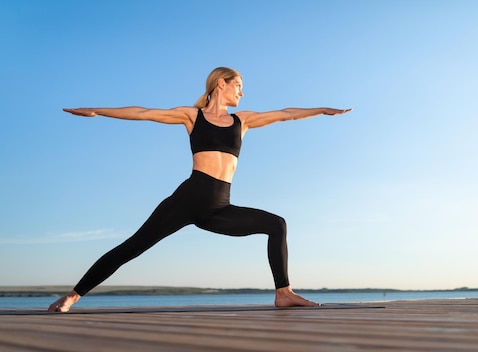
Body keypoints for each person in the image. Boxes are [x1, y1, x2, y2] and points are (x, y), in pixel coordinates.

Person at [48, 67, 351, 312]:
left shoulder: (242, 121)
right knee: (133, 246)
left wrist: (322, 110)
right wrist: (97, 111)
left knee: (276, 224)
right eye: (238, 86)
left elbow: (286, 113)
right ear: (222, 84)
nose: (242, 93)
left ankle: (283, 293)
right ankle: (71, 297)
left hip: (219, 207)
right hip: (188, 198)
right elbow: (143, 112)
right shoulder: (192, 116)